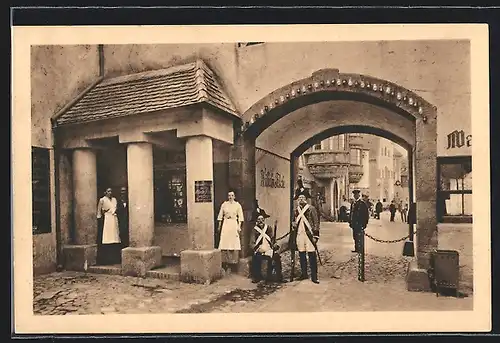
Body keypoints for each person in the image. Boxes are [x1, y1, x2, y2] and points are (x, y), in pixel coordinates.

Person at [291, 189, 320, 284]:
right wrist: (293, 224)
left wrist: (315, 236)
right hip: (299, 234)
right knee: (302, 254)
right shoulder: (296, 210)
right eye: (299, 198)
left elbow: (316, 222)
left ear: (306, 199)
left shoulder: (311, 208)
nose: (301, 199)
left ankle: (314, 276)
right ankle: (304, 274)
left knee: (311, 255)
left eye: (303, 197)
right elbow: (294, 221)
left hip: (309, 235)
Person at [251, 213, 285, 283]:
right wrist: (257, 249)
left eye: (262, 219)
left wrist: (275, 245)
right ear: (256, 221)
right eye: (259, 220)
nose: (261, 221)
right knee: (256, 257)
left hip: (269, 248)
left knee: (276, 257)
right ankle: (257, 277)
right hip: (259, 249)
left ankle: (278, 277)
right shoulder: (254, 230)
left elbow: (272, 239)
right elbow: (252, 243)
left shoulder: (268, 228)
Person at [217, 190, 244, 268]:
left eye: (232, 195)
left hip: (233, 224)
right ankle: (225, 261)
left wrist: (239, 226)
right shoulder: (224, 204)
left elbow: (241, 217)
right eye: (229, 195)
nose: (230, 197)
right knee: (225, 242)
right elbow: (220, 216)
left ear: (234, 196)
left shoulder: (237, 205)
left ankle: (233, 262)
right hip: (226, 223)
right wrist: (219, 226)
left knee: (233, 242)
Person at [96, 187, 121, 265]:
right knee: (107, 238)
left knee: (115, 237)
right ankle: (107, 259)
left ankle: (115, 258)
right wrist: (101, 218)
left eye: (111, 191)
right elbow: (99, 212)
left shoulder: (114, 200)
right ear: (105, 192)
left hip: (114, 218)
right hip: (107, 219)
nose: (110, 192)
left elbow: (116, 208)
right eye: (108, 191)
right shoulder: (102, 200)